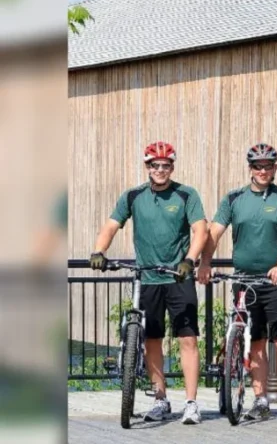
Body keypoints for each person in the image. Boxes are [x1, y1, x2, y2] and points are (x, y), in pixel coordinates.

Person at [89, 141, 207, 424]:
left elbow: (200, 230)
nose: (160, 170)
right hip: (148, 278)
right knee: (152, 340)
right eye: (155, 165)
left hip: (178, 277)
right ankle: (160, 400)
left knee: (187, 338)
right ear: (147, 167)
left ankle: (191, 403)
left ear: (172, 167)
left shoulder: (186, 194)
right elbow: (111, 225)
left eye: (165, 165)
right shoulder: (133, 196)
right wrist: (99, 251)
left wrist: (189, 260)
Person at [198, 143, 277, 422]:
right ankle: (260, 401)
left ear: (275, 168)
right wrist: (205, 262)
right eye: (258, 166)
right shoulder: (234, 198)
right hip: (244, 281)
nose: (263, 171)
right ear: (250, 169)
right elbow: (214, 232)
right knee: (255, 342)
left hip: (276, 282)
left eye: (268, 166)